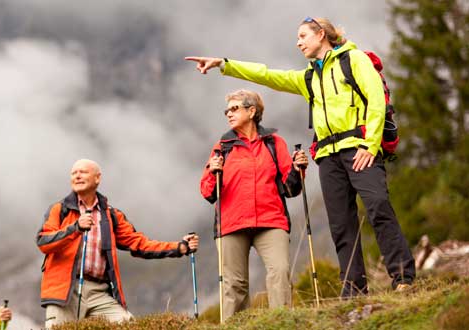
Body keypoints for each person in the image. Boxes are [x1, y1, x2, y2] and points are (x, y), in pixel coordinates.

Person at [185, 16, 415, 296]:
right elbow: (267, 75)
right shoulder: (308, 77)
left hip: (359, 148)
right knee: (341, 224)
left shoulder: (354, 59)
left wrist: (370, 145)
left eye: (303, 36)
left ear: (321, 34)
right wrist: (223, 64)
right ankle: (354, 289)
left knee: (379, 207)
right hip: (328, 157)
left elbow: (376, 100)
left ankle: (403, 277)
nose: (298, 42)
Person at [36, 159, 200, 328]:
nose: (77, 176)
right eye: (74, 173)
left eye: (83, 172)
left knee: (129, 325)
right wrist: (75, 228)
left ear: (97, 178)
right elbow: (43, 242)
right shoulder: (59, 210)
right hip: (65, 292)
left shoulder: (110, 215)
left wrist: (180, 247)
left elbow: (139, 243)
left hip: (99, 291)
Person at [200, 89, 307, 321]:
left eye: (234, 108)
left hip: (271, 220)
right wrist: (213, 171)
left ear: (252, 111)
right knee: (234, 285)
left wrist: (299, 170)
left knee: (279, 271)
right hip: (231, 224)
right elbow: (208, 192)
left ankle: (282, 323)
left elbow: (292, 189)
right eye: (226, 110)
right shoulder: (223, 146)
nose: (229, 113)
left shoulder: (274, 143)